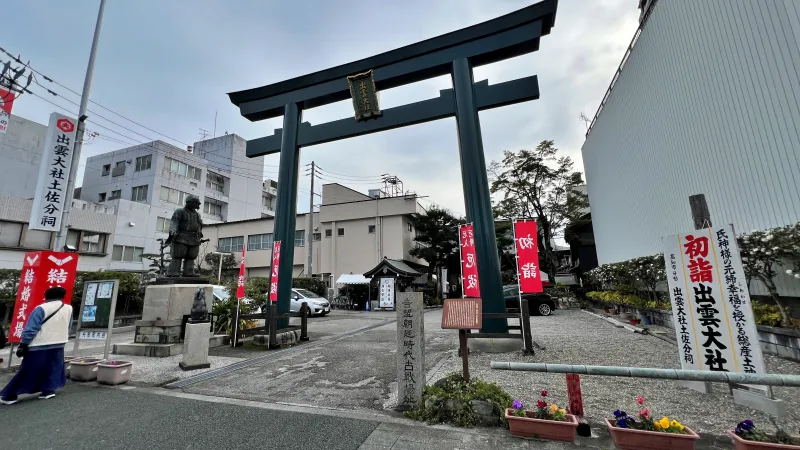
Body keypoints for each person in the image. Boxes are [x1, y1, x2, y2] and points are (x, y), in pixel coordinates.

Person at [1, 287, 73, 405]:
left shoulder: (41, 308)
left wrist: (23, 344)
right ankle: (48, 390)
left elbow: (31, 328)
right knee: (52, 368)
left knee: (28, 370)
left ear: (46, 296)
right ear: (62, 296)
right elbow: (68, 326)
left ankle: (9, 395)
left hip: (40, 344)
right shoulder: (68, 308)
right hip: (59, 343)